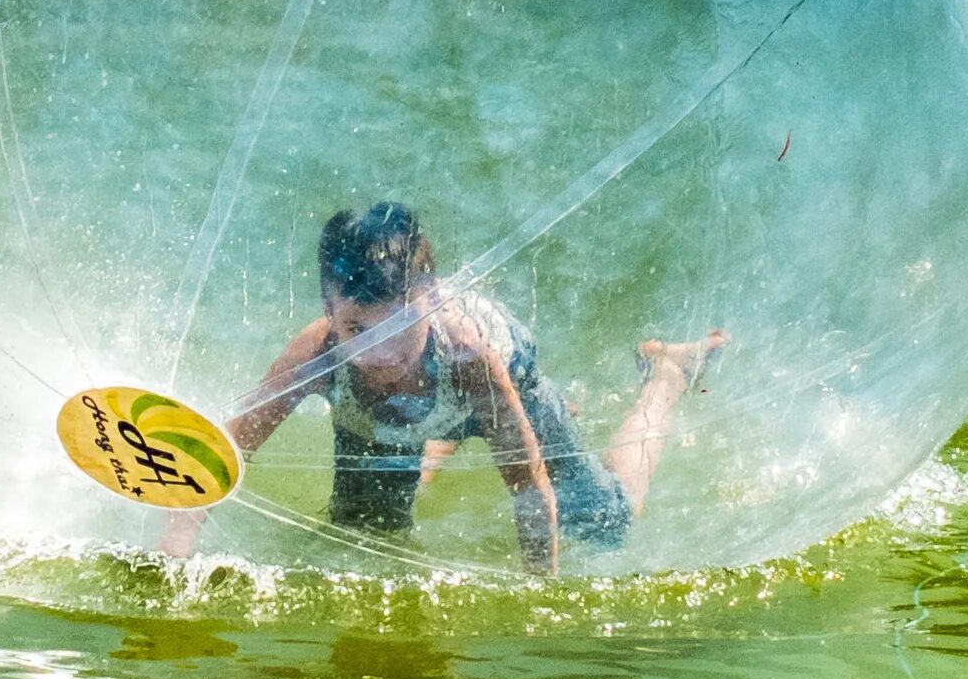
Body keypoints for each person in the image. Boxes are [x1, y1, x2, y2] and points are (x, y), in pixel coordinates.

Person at [161, 201, 723, 575]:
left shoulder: (471, 358)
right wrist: (172, 557)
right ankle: (441, 437)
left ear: (430, 299)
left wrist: (541, 595)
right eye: (358, 328)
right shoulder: (319, 353)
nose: (380, 353)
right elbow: (223, 452)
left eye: (400, 326)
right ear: (329, 311)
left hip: (501, 386)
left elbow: (528, 488)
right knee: (363, 538)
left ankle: (666, 374)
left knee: (605, 521)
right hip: (393, 415)